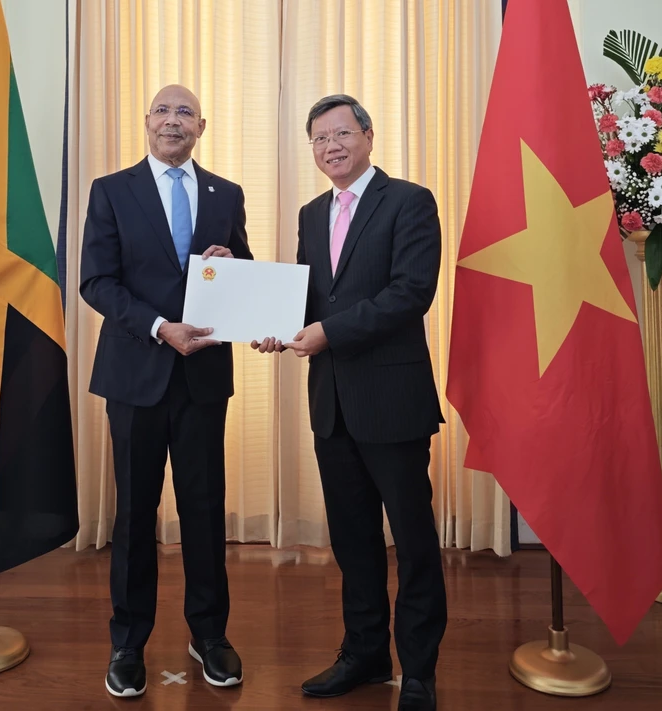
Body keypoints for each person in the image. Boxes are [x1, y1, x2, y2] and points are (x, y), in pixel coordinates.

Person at [253, 94, 446, 711]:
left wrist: (327, 332)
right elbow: (314, 298)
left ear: (368, 134)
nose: (330, 146)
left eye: (340, 133)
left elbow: (410, 293)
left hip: (392, 401)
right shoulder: (312, 213)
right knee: (352, 540)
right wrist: (274, 322)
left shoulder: (410, 201)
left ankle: (417, 669)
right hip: (331, 403)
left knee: (413, 541)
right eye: (318, 139)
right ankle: (364, 653)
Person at [81, 84, 252, 698]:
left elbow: (244, 273)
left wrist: (230, 260)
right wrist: (158, 327)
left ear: (201, 126)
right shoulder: (111, 191)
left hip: (203, 377)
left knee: (205, 511)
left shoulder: (226, 193)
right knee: (133, 515)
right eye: (162, 110)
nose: (172, 120)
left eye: (185, 112)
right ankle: (128, 640)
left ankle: (210, 634)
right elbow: (95, 282)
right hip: (135, 374)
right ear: (146, 121)